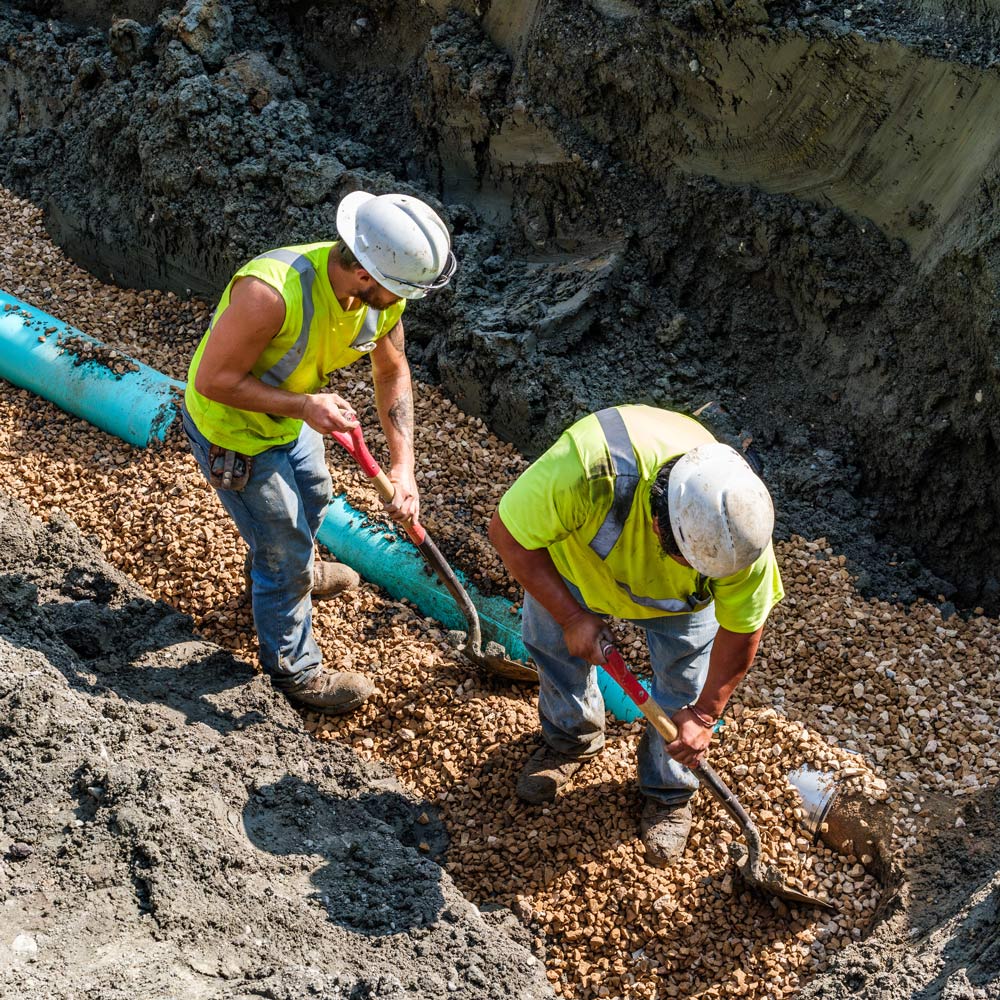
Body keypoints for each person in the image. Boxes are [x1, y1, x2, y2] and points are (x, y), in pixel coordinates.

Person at [182, 191, 456, 714]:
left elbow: (393, 372)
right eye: (398, 290)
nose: (403, 302)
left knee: (314, 498)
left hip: (293, 416)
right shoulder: (271, 292)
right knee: (281, 542)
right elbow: (213, 379)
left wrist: (403, 468)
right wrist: (306, 405)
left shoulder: (380, 296)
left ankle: (286, 575)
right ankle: (294, 670)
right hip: (234, 432)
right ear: (363, 273)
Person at [488, 404, 783, 866]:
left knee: (683, 684)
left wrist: (705, 715)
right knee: (551, 647)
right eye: (688, 558)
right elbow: (508, 534)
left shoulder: (741, 536)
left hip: (681, 606)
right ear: (656, 521)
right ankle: (571, 737)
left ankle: (668, 791)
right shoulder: (587, 468)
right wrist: (570, 618)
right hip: (576, 571)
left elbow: (743, 627)